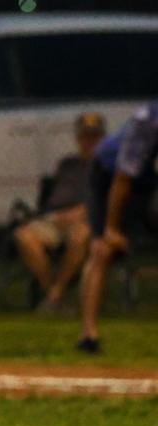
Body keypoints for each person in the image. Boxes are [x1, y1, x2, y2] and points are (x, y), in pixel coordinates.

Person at [78, 102, 158, 354]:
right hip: (107, 178)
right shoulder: (147, 122)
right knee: (102, 250)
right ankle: (89, 335)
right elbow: (122, 180)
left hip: (144, 183)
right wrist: (111, 227)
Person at [14, 113, 106, 312]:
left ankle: (56, 294)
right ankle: (53, 294)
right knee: (24, 236)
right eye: (85, 137)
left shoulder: (107, 168)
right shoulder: (67, 164)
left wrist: (81, 212)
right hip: (54, 218)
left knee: (80, 236)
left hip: (84, 219)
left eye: (94, 137)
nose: (89, 141)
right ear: (78, 138)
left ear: (102, 138)